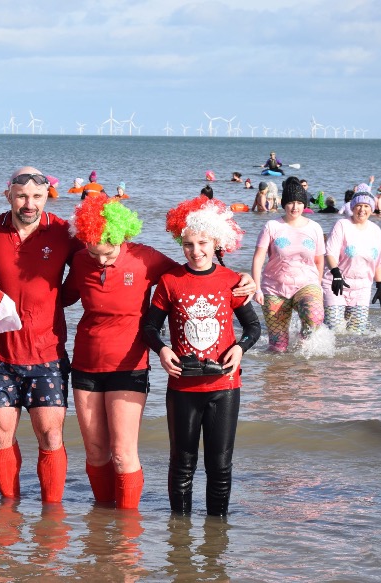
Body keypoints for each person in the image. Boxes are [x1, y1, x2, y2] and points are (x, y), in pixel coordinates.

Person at [61, 196, 256, 510]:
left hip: (130, 365)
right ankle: (101, 520)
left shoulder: (146, 258)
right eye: (93, 252)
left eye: (107, 252)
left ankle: (127, 525)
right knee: (96, 452)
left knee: (123, 454)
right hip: (85, 362)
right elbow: (61, 298)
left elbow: (194, 274)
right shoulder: (83, 259)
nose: (101, 260)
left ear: (121, 237)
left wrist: (243, 279)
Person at [0, 166, 83, 503]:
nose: (29, 204)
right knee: (0, 434)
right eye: (21, 196)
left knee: (50, 435)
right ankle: (8, 509)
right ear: (9, 196)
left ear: (46, 197)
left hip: (48, 354)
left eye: (36, 196)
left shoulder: (63, 231)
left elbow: (90, 268)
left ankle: (52, 512)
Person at [142, 202, 261, 516]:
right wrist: (163, 350)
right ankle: (179, 533)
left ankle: (216, 534)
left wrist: (241, 348)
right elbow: (150, 327)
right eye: (188, 244)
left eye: (203, 243)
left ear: (216, 242)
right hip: (183, 388)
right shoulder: (170, 281)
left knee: (219, 467)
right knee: (182, 465)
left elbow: (253, 327)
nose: (196, 251)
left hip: (224, 388)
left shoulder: (231, 280)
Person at [251, 177, 325, 352]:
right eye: (291, 202)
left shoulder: (314, 228)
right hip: (274, 288)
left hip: (306, 284)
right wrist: (257, 289)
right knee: (278, 348)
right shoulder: (272, 226)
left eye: (299, 202)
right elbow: (258, 258)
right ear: (284, 204)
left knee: (314, 316)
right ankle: (282, 368)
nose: (295, 207)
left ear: (304, 204)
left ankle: (301, 342)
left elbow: (319, 260)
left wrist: (318, 287)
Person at [322, 191, 381, 334]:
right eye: (358, 205)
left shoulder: (376, 230)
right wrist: (336, 274)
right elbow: (330, 253)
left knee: (356, 333)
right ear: (352, 207)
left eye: (366, 206)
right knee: (335, 329)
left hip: (362, 288)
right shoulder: (342, 225)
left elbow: (379, 261)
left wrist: (380, 286)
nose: (362, 209)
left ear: (371, 208)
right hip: (336, 283)